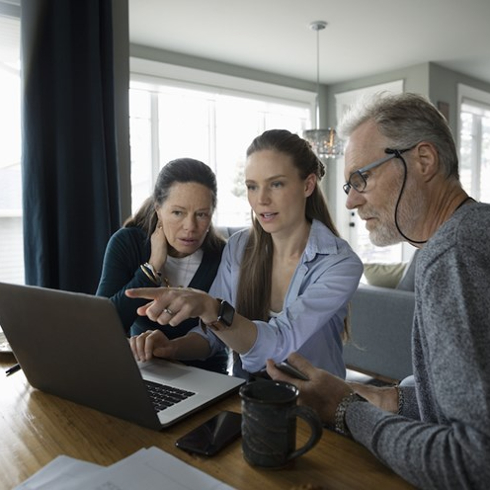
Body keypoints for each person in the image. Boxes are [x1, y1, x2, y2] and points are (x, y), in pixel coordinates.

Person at [266, 93, 490, 489]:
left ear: (423, 160)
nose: (350, 200)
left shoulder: (451, 256)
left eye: (361, 178)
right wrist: (381, 397)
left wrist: (347, 410)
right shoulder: (475, 229)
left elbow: (473, 461)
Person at [127, 129, 363, 379]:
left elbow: (279, 344)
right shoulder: (239, 247)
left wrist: (211, 308)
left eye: (276, 184)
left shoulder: (340, 264)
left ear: (308, 185)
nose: (261, 199)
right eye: (252, 186)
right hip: (246, 397)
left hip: (316, 406)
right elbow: (213, 336)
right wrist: (172, 348)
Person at [96, 158, 228, 373]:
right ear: (158, 208)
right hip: (147, 368)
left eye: (202, 214)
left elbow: (220, 334)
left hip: (207, 374)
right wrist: (151, 267)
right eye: (178, 213)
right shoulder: (128, 243)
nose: (190, 227)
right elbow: (102, 327)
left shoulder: (222, 255)